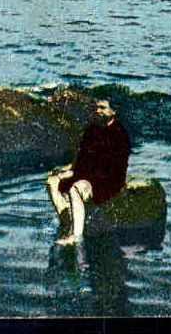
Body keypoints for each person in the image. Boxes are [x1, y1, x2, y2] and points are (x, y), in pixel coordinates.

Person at [46, 100, 131, 245]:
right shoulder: (92, 129)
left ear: (114, 111)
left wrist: (78, 175)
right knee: (52, 181)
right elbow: (81, 157)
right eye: (97, 108)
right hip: (87, 173)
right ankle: (66, 218)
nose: (98, 111)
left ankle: (76, 236)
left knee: (76, 188)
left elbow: (110, 168)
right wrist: (67, 171)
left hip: (108, 180)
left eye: (103, 108)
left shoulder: (120, 135)